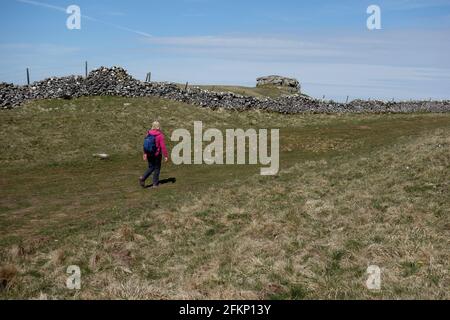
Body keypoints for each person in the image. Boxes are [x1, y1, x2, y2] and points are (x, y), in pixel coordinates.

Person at [139, 121, 169, 188]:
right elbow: (163, 146)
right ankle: (155, 184)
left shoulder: (148, 133)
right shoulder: (160, 135)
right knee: (157, 168)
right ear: (158, 127)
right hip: (156, 155)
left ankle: (143, 178)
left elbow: (144, 144)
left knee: (151, 167)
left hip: (149, 153)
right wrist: (166, 156)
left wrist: (144, 153)